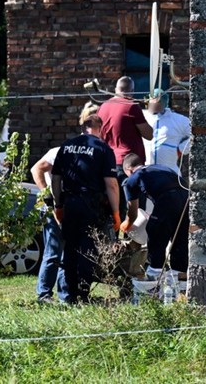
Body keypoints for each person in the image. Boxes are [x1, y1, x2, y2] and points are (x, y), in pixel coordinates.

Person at [51, 111, 121, 303]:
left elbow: (56, 179)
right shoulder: (103, 148)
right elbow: (112, 185)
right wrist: (116, 214)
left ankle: (67, 295)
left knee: (70, 249)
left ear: (82, 127)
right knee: (88, 250)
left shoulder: (65, 147)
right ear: (102, 129)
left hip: (70, 203)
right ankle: (82, 294)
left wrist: (58, 204)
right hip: (91, 205)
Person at [121, 153, 190, 280]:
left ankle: (155, 272)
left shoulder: (133, 179)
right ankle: (179, 275)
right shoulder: (159, 168)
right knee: (179, 237)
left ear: (129, 170)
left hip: (167, 198)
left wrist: (126, 225)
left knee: (155, 231)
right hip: (186, 197)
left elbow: (133, 213)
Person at [30, 146, 68, 303]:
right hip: (53, 208)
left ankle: (65, 294)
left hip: (68, 207)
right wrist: (47, 195)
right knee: (53, 252)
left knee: (67, 252)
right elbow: (36, 169)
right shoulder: (58, 152)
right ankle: (44, 294)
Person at [97, 76, 153, 179]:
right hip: (128, 164)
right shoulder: (131, 106)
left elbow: (99, 135)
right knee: (130, 194)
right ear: (132, 91)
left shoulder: (103, 107)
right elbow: (149, 135)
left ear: (116, 89)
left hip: (108, 161)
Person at [143, 92, 191, 175]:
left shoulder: (178, 120)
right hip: (146, 170)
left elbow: (197, 134)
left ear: (164, 103)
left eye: (158, 103)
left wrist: (182, 149)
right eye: (152, 103)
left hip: (170, 171)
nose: (154, 106)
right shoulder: (142, 116)